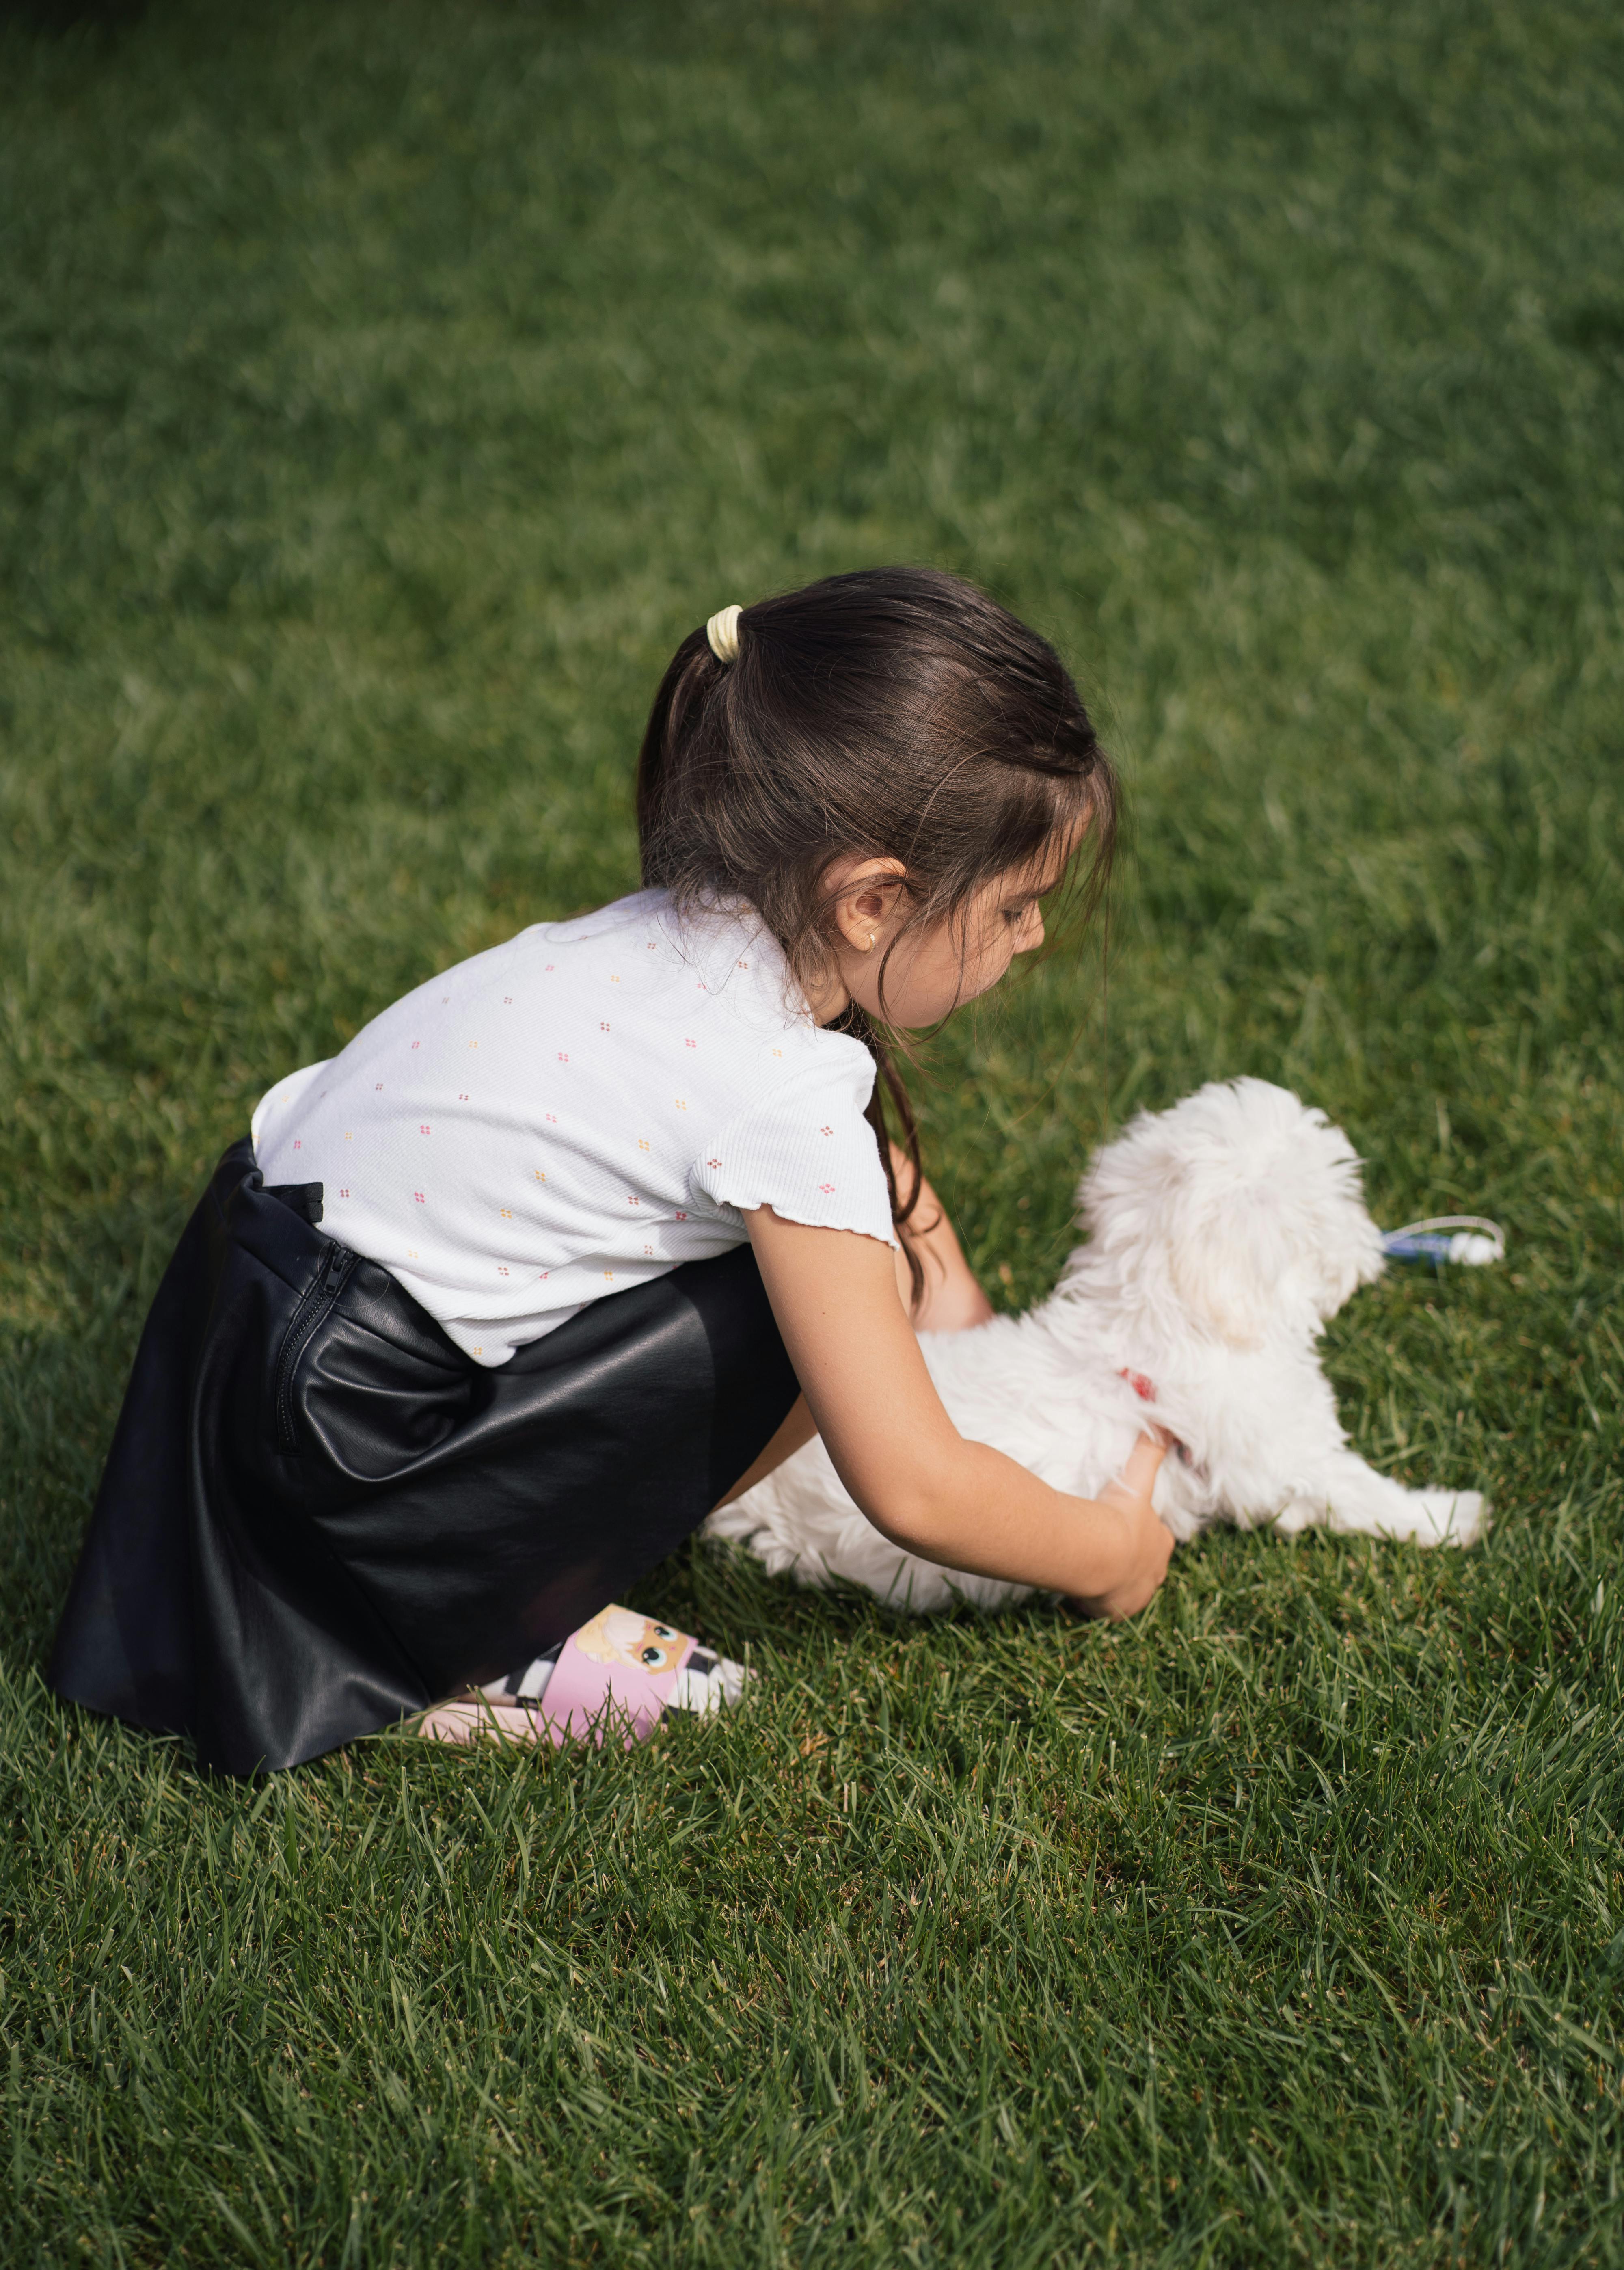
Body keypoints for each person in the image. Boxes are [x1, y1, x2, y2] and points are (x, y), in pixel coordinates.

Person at [50, 568, 1173, 1775]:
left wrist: (944, 1297)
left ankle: (454, 1579)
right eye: (1018, 907)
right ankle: (485, 1631)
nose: (1035, 937)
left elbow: (863, 1170)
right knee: (815, 1313)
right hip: (348, 1477)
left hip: (246, 1355)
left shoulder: (683, 931)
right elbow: (915, 1485)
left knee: (848, 1264)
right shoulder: (780, 1093)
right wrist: (1113, 1552)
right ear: (875, 901)